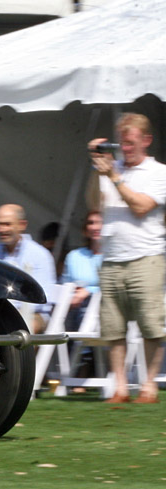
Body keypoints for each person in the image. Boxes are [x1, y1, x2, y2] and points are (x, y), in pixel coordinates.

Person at [87, 113, 166, 404]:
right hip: (112, 258)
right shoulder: (111, 169)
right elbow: (95, 203)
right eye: (122, 142)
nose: (126, 148)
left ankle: (148, 385)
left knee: (150, 325)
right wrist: (97, 168)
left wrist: (114, 177)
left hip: (146, 256)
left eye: (131, 142)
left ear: (146, 140)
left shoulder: (159, 172)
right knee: (113, 327)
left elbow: (142, 207)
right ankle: (120, 387)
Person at [0, 204, 57, 333]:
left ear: (22, 225)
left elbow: (43, 299)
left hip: (34, 315)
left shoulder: (40, 254)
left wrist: (12, 312)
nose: (1, 229)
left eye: (7, 224)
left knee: (18, 330)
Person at [61, 210, 103, 331]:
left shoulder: (115, 255)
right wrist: (71, 295)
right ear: (85, 228)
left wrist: (89, 291)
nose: (95, 227)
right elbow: (65, 284)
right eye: (91, 223)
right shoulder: (74, 256)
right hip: (75, 311)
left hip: (104, 310)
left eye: (100, 223)